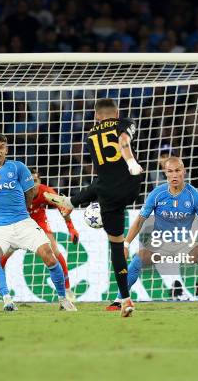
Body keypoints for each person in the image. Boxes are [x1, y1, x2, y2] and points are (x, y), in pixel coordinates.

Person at [44, 98, 143, 317]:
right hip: (130, 185)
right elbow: (124, 140)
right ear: (116, 113)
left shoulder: (90, 136)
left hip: (107, 193)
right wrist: (131, 163)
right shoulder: (124, 122)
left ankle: (125, 299)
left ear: (96, 116)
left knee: (116, 247)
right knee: (103, 184)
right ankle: (70, 202)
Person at [0, 134, 77, 312]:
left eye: (2, 147)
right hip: (0, 228)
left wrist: (20, 211)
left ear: (7, 150)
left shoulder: (18, 167)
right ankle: (6, 299)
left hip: (23, 222)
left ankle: (63, 298)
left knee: (49, 255)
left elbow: (30, 194)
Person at [110, 157, 198, 309]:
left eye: (178, 171)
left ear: (184, 172)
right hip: (159, 245)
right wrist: (125, 244)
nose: (174, 175)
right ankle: (119, 301)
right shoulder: (157, 194)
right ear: (165, 173)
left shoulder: (194, 196)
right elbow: (139, 221)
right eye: (170, 171)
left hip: (184, 246)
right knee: (138, 258)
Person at [0, 168, 79, 302]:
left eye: (35, 181)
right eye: (29, 181)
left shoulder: (46, 192)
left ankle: (67, 290)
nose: (32, 184)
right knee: (3, 254)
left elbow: (63, 208)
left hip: (38, 222)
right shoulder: (16, 192)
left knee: (54, 251)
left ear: (40, 181)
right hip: (17, 223)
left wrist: (71, 229)